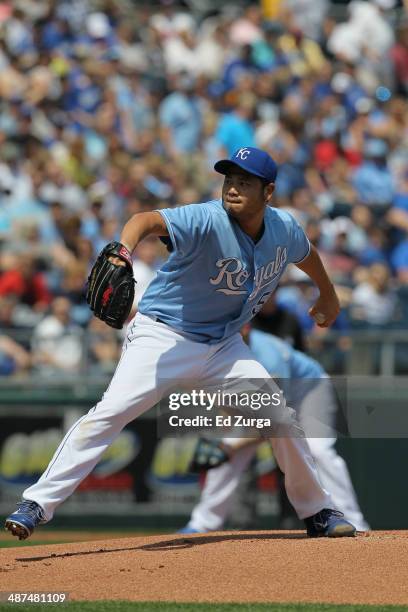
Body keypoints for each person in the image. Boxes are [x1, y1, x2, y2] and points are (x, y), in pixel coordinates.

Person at [5, 146, 355, 539]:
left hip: (223, 347)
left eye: (245, 182)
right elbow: (145, 220)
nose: (233, 189)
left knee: (279, 418)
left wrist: (328, 293)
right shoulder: (206, 218)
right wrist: (124, 250)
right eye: (229, 180)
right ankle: (37, 503)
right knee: (112, 411)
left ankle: (318, 511)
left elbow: (306, 255)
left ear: (268, 192)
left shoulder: (284, 229)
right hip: (163, 336)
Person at [179, 326, 369, 534]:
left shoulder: (268, 354)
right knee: (227, 449)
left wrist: (232, 446)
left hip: (309, 391)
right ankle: (203, 523)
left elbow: (276, 421)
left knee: (318, 451)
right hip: (273, 405)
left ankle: (353, 520)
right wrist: (228, 435)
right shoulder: (221, 350)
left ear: (246, 327)